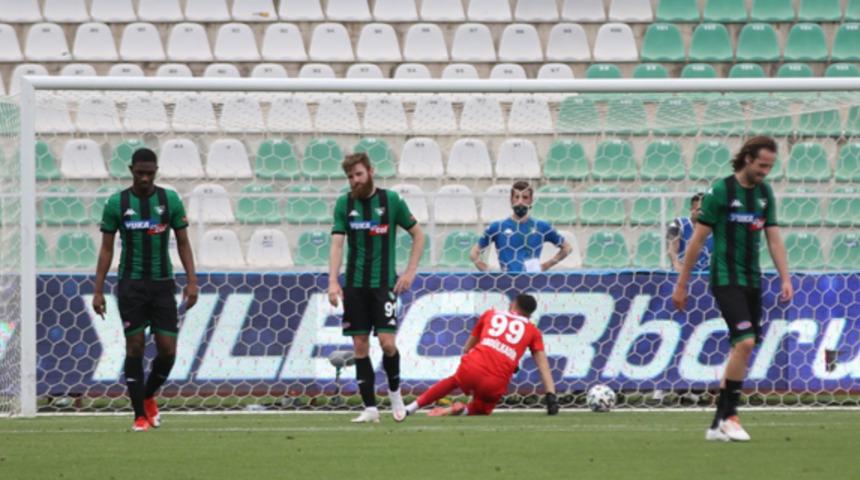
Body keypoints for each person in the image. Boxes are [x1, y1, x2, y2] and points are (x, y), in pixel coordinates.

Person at [672, 136, 793, 442]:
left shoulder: (764, 194)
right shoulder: (720, 191)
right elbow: (697, 241)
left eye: (770, 166)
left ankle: (716, 424)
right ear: (748, 159)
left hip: (753, 279)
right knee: (745, 342)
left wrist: (785, 277)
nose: (766, 171)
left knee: (742, 346)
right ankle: (731, 416)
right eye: (762, 165)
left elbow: (774, 238)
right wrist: (682, 283)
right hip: (725, 278)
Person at [92, 148, 198, 432]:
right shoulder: (117, 203)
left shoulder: (169, 199)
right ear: (131, 170)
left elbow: (184, 242)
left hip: (163, 284)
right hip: (131, 285)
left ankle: (148, 394)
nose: (145, 178)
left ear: (156, 171)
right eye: (140, 172)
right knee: (135, 346)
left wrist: (192, 280)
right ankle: (139, 415)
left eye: (150, 173)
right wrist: (98, 290)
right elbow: (106, 249)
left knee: (168, 351)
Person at [328, 153, 425, 423]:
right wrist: (333, 281)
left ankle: (395, 394)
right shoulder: (344, 203)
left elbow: (418, 234)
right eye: (349, 177)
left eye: (358, 174)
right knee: (360, 345)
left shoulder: (391, 201)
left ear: (370, 172)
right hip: (355, 286)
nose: (354, 181)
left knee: (387, 343)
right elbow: (337, 243)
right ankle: (370, 409)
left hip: (383, 284)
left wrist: (409, 272)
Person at [395, 294, 558, 420]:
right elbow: (543, 366)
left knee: (453, 381)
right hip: (496, 380)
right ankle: (460, 410)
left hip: (472, 367)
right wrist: (551, 397)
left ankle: (411, 407)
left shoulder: (490, 314)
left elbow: (467, 348)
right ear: (530, 314)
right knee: (484, 408)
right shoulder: (533, 331)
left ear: (513, 304)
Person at [470, 181, 573, 273]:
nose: (520, 201)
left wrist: (545, 266)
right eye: (517, 197)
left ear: (531, 200)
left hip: (532, 282)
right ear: (511, 200)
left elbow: (567, 248)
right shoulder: (497, 227)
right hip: (507, 283)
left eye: (525, 197)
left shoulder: (541, 226)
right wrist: (488, 271)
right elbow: (474, 253)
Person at [668, 193, 713, 272]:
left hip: (707, 276)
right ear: (691, 209)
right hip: (682, 273)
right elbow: (672, 247)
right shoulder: (679, 223)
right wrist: (676, 265)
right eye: (698, 210)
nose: (701, 213)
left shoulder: (716, 228)